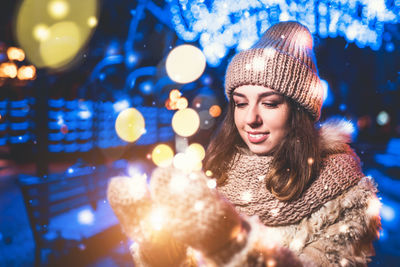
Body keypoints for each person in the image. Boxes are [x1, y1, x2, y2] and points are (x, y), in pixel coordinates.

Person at [107, 21, 381, 266]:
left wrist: (229, 245)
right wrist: (158, 245)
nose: (250, 118)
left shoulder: (345, 194)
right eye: (240, 103)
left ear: (299, 111)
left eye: (270, 103)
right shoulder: (218, 172)